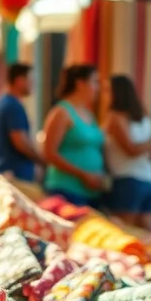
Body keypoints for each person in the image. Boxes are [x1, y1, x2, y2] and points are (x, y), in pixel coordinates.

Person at [104, 74, 151, 228]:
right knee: (145, 234)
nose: (103, 94)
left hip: (127, 181)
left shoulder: (116, 118)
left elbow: (132, 150)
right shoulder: (144, 120)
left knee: (125, 233)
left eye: (107, 90)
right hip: (147, 181)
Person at [42, 64, 106, 206]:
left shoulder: (89, 114)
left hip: (91, 193)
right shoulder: (62, 112)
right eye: (94, 82)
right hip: (66, 190)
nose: (97, 88)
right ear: (80, 84)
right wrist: (83, 174)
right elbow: (49, 153)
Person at [0, 63, 40, 182]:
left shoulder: (1, 102)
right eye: (30, 80)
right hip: (15, 174)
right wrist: (41, 159)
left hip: (6, 170)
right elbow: (20, 141)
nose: (33, 84)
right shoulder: (13, 106)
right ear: (19, 81)